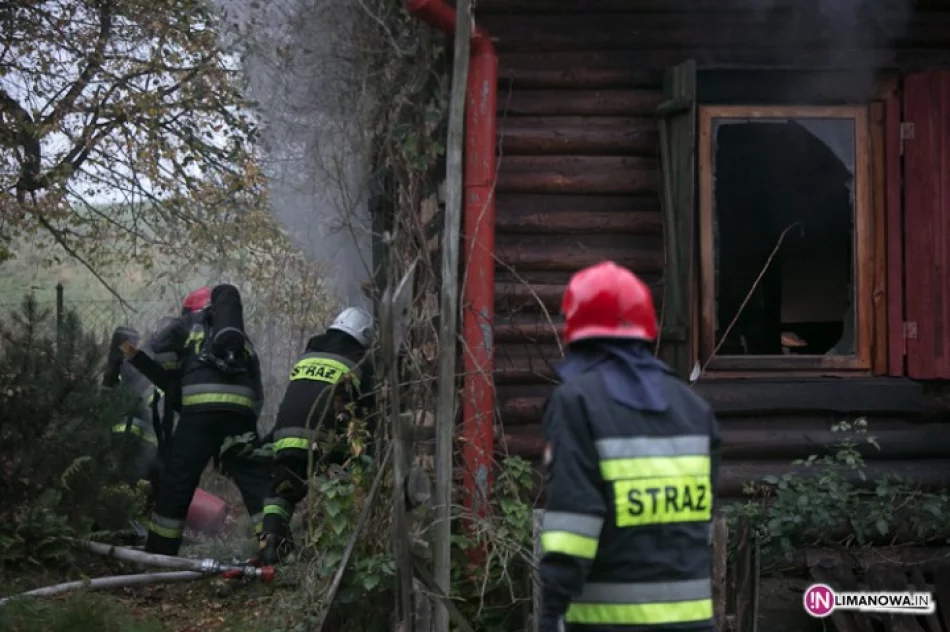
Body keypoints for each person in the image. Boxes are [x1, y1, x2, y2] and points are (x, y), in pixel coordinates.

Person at [537, 261, 721, 632]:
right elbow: (701, 522)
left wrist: (550, 611)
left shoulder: (577, 401)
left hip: (605, 624)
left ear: (576, 330)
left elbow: (574, 526)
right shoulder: (694, 409)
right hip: (694, 623)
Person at [143, 284, 272, 556]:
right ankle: (276, 548)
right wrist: (244, 430)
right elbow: (257, 392)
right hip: (240, 415)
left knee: (178, 483)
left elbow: (160, 350)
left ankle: (159, 554)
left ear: (191, 310)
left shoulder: (187, 326)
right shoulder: (241, 341)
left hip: (198, 415)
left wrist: (173, 380)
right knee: (257, 483)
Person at [257, 306, 377, 566]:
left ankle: (270, 547)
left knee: (281, 491)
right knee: (344, 482)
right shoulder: (357, 362)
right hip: (324, 440)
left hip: (285, 436)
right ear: (364, 337)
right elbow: (369, 409)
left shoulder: (307, 355)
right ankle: (337, 546)